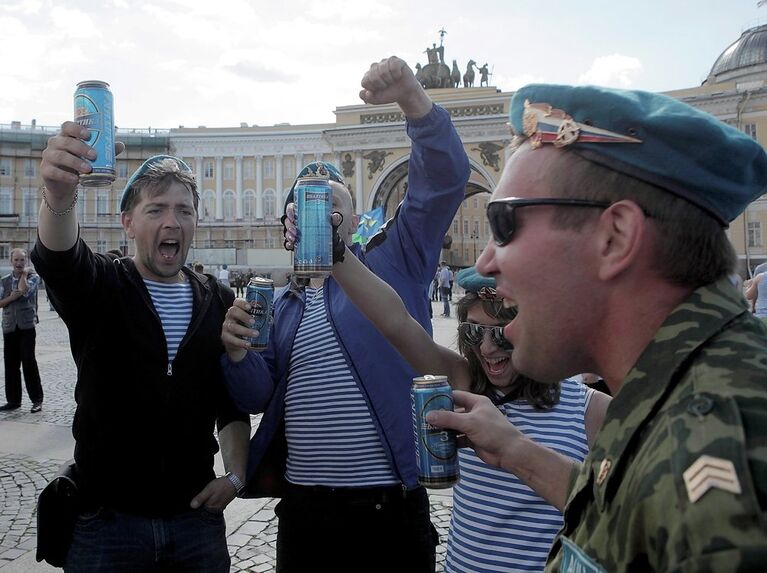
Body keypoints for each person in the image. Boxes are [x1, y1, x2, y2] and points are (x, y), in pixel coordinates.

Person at [426, 84, 767, 570]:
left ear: (615, 237)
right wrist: (515, 452)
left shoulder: (715, 447)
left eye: (503, 224)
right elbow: (632, 509)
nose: (485, 262)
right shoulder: (678, 399)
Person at [220, 55, 470, 572]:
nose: (318, 219)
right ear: (288, 227)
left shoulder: (394, 259)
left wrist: (412, 97)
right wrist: (236, 351)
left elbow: (443, 180)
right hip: (306, 512)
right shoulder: (282, 306)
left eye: (332, 207)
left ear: (355, 220)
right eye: (303, 209)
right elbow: (255, 395)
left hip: (388, 508)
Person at [317, 244, 611, 571]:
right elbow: (395, 323)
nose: (486, 348)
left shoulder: (593, 411)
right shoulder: (464, 381)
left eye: (501, 335)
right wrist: (336, 253)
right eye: (472, 331)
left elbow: (626, 518)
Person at [33, 144, 250, 572]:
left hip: (195, 525)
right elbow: (61, 260)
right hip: (106, 526)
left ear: (195, 222)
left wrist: (236, 477)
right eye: (156, 210)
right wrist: (59, 198)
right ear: (128, 223)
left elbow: (230, 402)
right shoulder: (103, 286)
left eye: (184, 211)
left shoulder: (219, 300)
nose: (172, 221)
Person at [0, 248, 43, 413]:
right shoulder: (4, 280)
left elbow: (25, 292)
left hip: (26, 326)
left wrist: (24, 276)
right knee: (10, 364)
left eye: (22, 260)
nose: (19, 263)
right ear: (11, 261)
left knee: (28, 362)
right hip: (9, 326)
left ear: (26, 262)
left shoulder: (33, 277)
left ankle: (37, 399)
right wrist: (11, 297)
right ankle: (13, 400)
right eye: (16, 260)